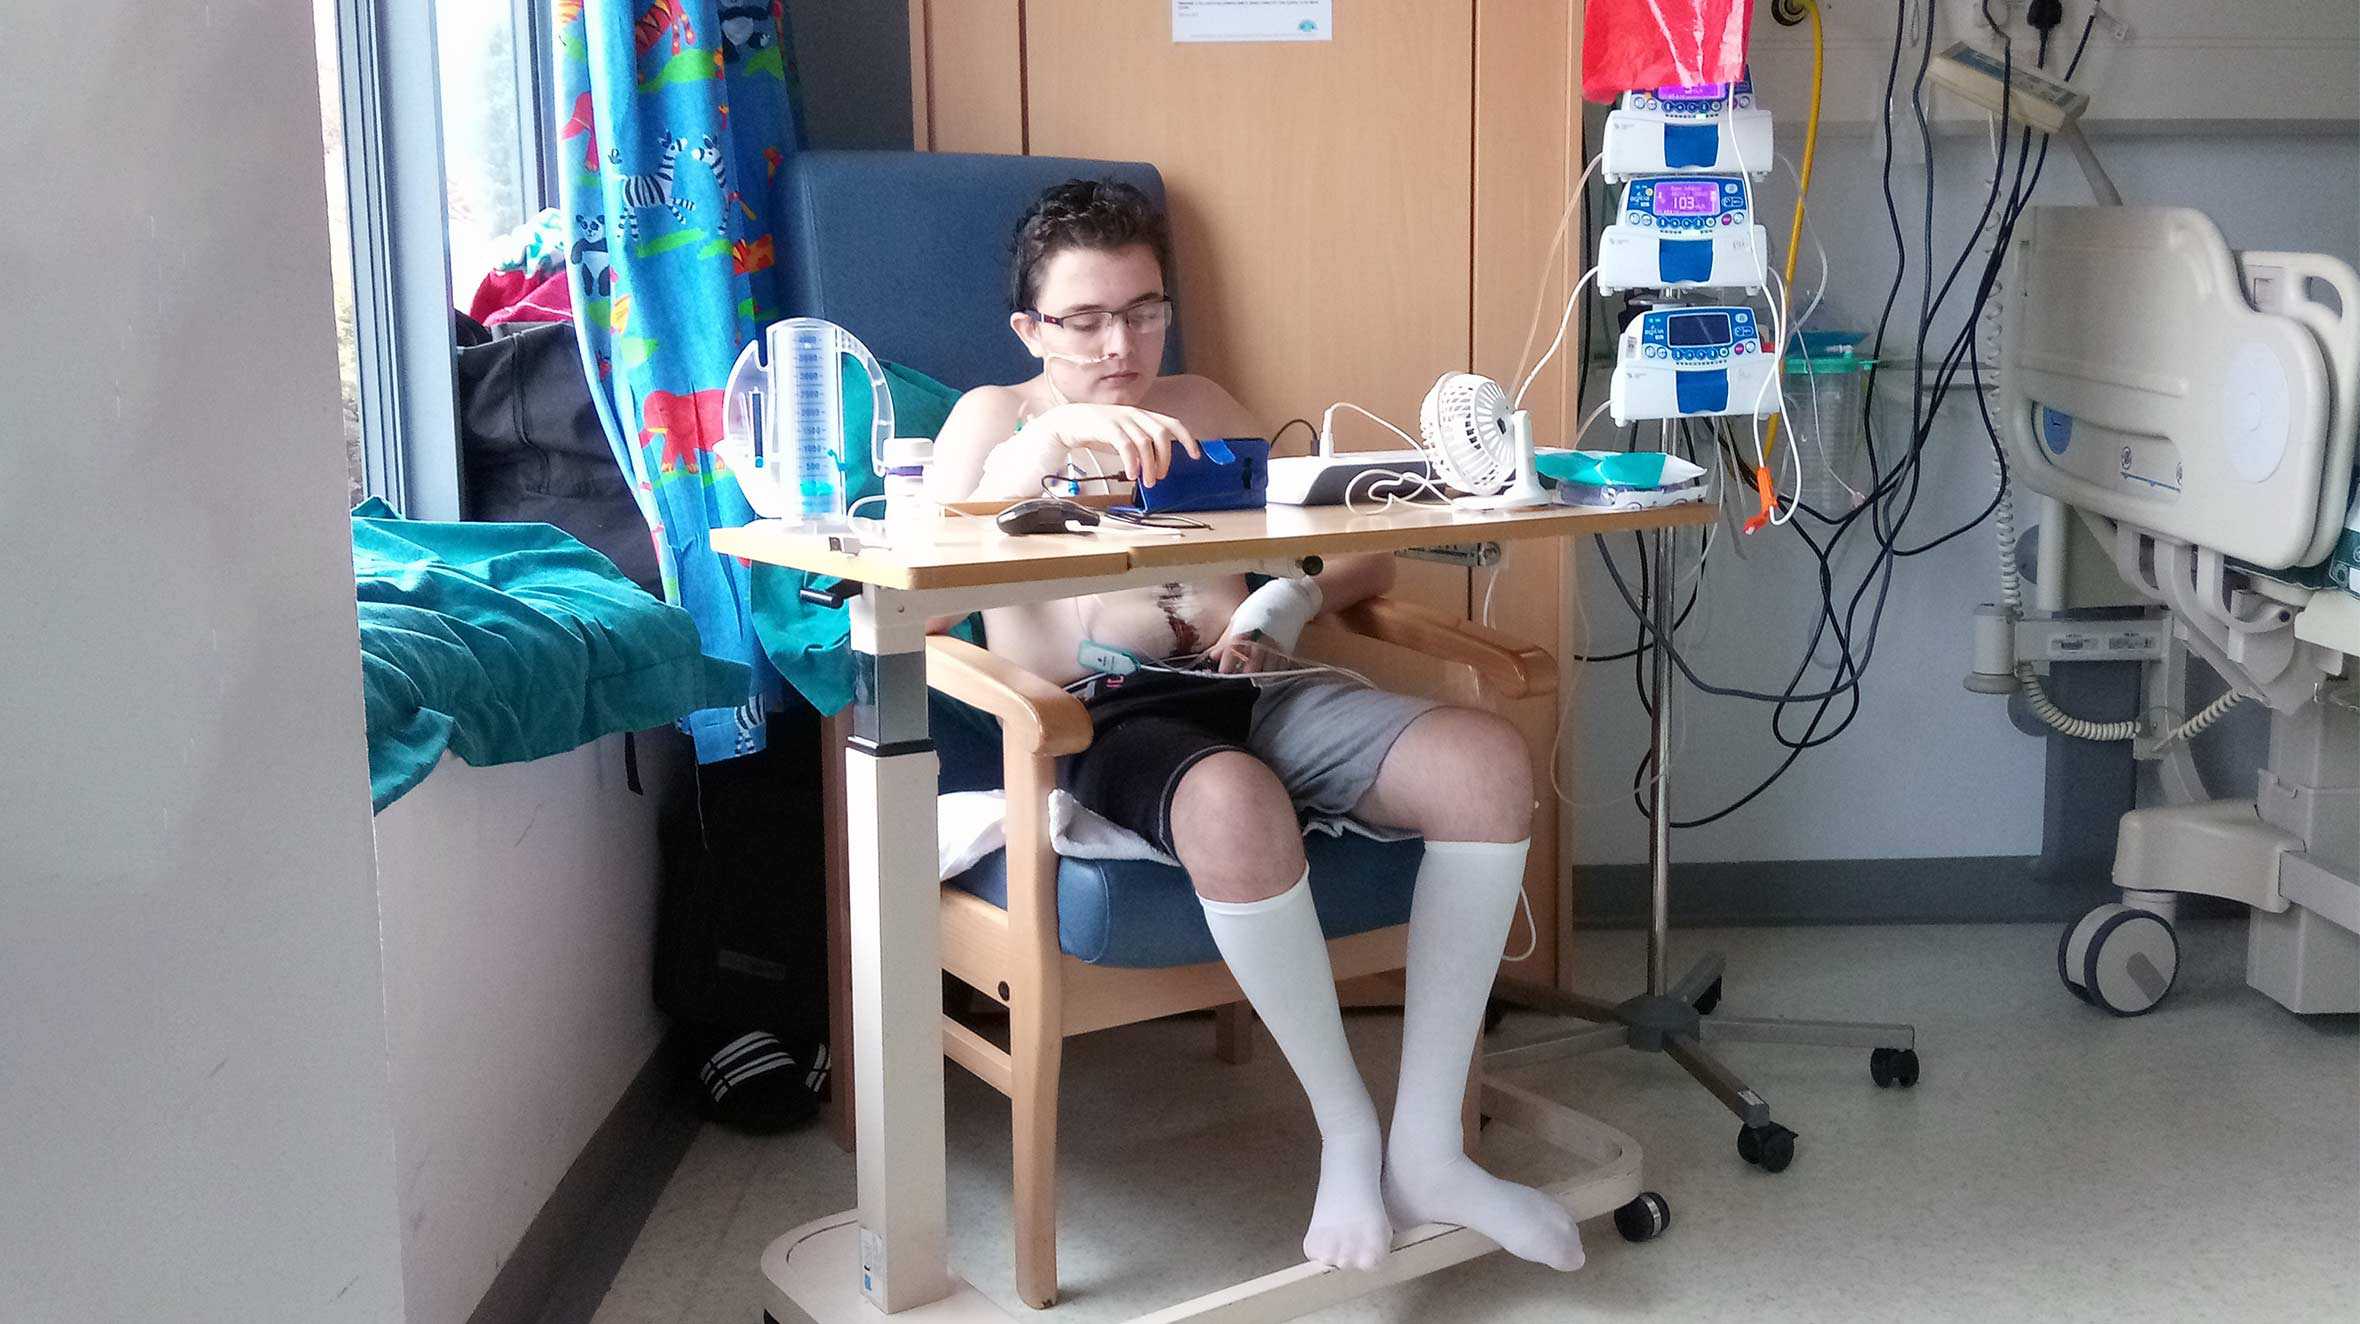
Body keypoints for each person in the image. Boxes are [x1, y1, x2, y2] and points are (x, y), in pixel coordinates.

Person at [926, 180, 1582, 1275]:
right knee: (1233, 801)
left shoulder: (1207, 404)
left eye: (1141, 310)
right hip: (1097, 714)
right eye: (1083, 321)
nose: (1118, 344)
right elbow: (929, 594)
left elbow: (1347, 546)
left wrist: (1283, 602)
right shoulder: (993, 419)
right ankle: (1346, 1131)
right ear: (1029, 328)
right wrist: (1048, 449)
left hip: (1259, 687)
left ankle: (1428, 1152)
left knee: (1482, 761)